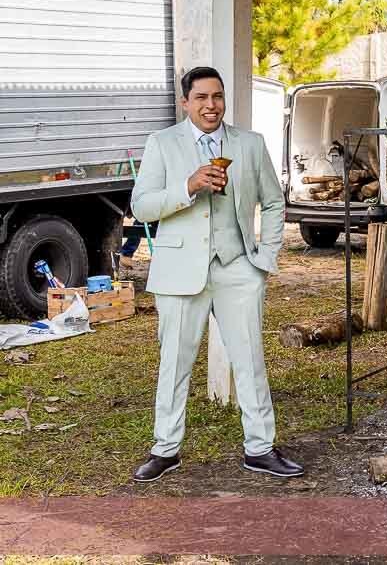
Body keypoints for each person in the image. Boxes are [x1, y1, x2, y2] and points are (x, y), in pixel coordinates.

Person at [130, 66, 302, 482]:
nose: (211, 105)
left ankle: (259, 448)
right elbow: (142, 207)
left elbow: (274, 203)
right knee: (175, 363)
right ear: (185, 102)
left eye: (218, 97)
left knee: (250, 361)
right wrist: (187, 187)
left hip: (238, 267)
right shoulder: (162, 144)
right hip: (179, 271)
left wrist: (264, 259)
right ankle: (165, 449)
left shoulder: (250, 143)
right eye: (202, 97)